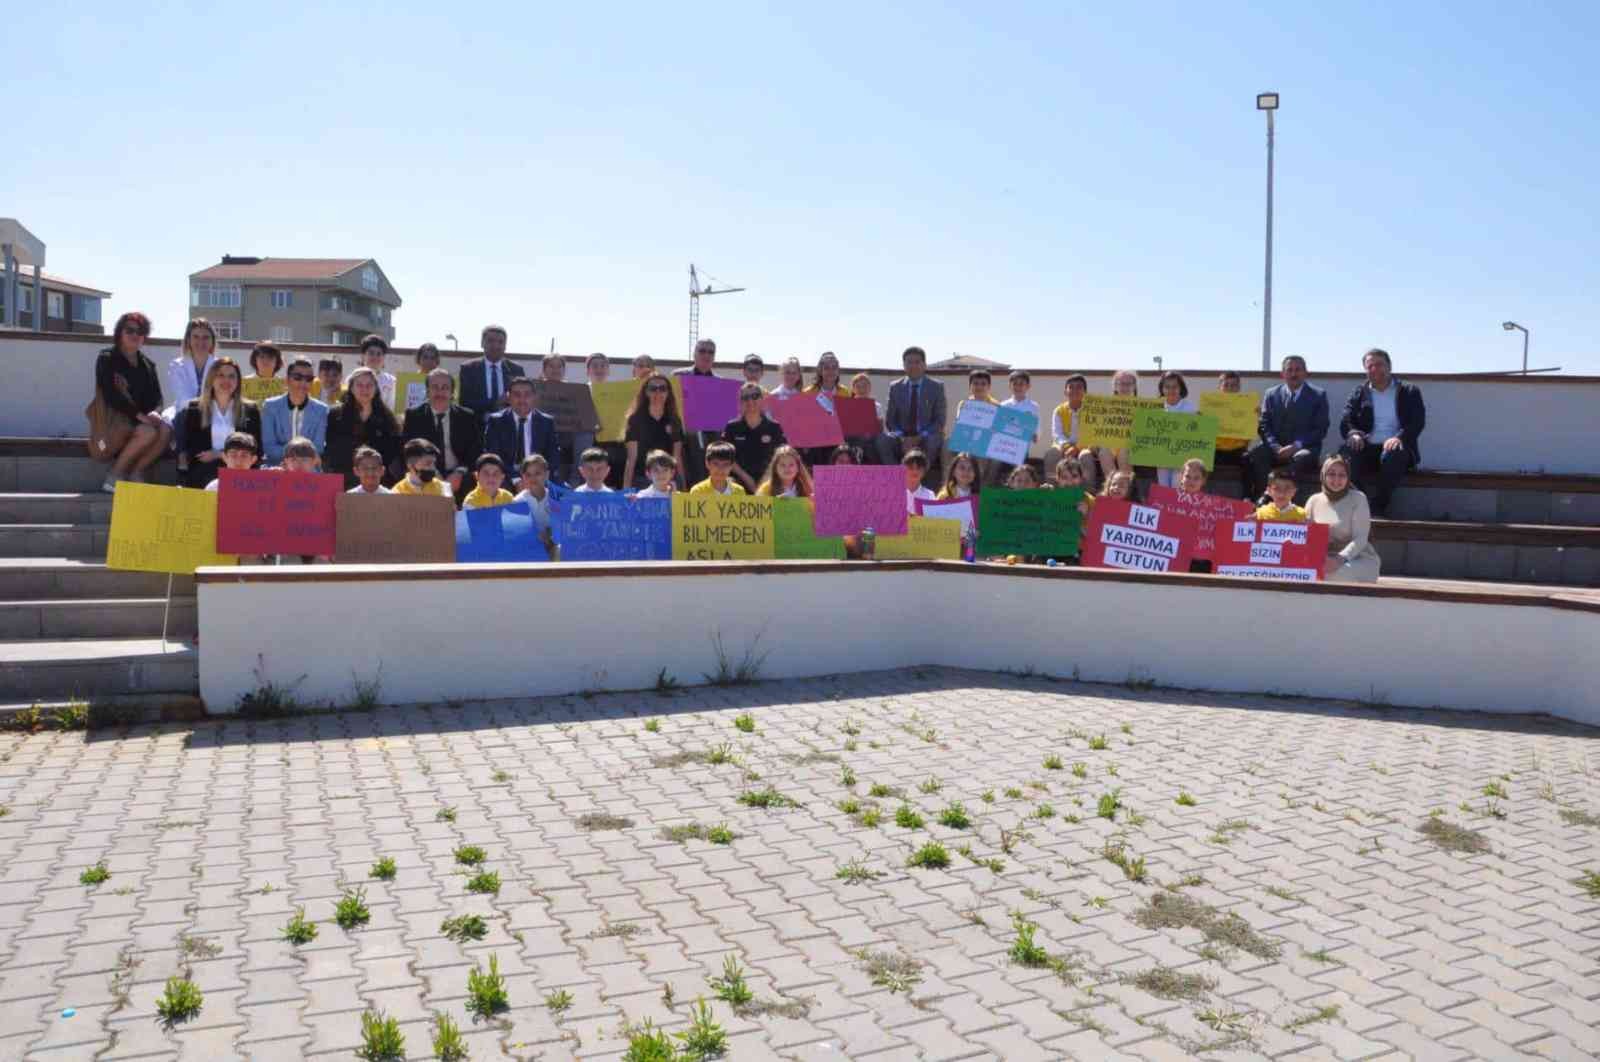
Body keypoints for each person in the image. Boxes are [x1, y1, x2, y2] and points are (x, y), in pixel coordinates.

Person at [1339, 348, 1426, 517]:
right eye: (1369, 366)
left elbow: (1417, 422)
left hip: (1396, 449)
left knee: (1393, 453)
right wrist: (1354, 434)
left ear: (1389, 366)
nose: (1374, 369)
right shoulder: (1359, 392)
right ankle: (1362, 505)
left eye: (1379, 364)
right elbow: (1346, 420)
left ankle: (1379, 505)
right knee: (1344, 455)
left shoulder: (1409, 391)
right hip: (1367, 447)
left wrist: (1398, 437)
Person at [95, 312, 169, 492]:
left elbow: (158, 397)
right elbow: (111, 395)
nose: (135, 335)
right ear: (120, 332)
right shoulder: (107, 358)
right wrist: (139, 416)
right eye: (130, 330)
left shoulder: (147, 365)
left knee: (166, 430)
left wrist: (156, 412)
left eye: (141, 331)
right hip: (113, 425)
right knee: (148, 432)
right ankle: (114, 475)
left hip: (141, 422)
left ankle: (136, 472)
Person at [1245, 355, 1328, 504]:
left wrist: (1296, 446)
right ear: (1282, 374)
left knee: (1301, 458)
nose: (1294, 374)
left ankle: (1284, 501)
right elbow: (1264, 425)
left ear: (1305, 372)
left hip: (1303, 448)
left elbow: (1320, 429)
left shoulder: (1318, 395)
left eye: (1298, 370)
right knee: (1256, 454)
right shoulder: (1271, 394)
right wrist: (1276, 447)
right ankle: (1261, 496)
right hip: (1276, 447)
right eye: (1289, 370)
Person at [179, 357, 262, 488]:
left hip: (241, 467)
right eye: (220, 375)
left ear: (238, 381)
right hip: (206, 470)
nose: (226, 380)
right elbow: (193, 448)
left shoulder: (250, 409)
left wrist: (219, 454)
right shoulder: (195, 408)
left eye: (231, 376)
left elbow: (257, 448)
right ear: (211, 379)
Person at [402, 367, 482, 497]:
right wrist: (431, 471)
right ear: (427, 391)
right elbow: (409, 452)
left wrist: (460, 472)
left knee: (471, 481)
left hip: (459, 475)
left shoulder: (467, 416)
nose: (440, 392)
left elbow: (474, 452)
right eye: (435, 387)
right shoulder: (414, 416)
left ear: (452, 393)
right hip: (427, 471)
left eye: (445, 388)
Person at [323, 366, 402, 488]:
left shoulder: (387, 418)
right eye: (359, 385)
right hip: (343, 480)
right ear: (351, 388)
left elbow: (393, 452)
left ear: (376, 389)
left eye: (369, 385)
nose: (364, 389)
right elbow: (330, 448)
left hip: (376, 482)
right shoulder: (335, 414)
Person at [1306, 455, 1380, 583]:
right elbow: (1306, 534)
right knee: (1304, 572)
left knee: (1335, 575)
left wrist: (1339, 559)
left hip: (1357, 558)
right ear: (1323, 475)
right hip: (1323, 558)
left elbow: (1360, 539)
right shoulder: (1314, 500)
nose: (1336, 479)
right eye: (1331, 474)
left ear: (1348, 477)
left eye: (1342, 475)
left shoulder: (1358, 498)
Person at [877, 347, 948, 480]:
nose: (913, 366)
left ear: (924, 365)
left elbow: (939, 421)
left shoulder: (936, 387)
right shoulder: (895, 387)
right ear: (904, 365)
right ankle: (896, 478)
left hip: (926, 436)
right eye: (909, 362)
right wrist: (903, 438)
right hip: (902, 437)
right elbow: (890, 421)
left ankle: (919, 479)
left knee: (934, 440)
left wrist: (919, 437)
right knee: (883, 439)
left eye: (917, 362)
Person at [483, 377, 558, 490]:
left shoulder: (547, 422)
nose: (522, 400)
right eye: (517, 395)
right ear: (508, 398)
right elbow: (494, 457)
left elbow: (553, 457)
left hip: (538, 476)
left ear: (534, 397)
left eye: (527, 395)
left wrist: (536, 477)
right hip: (506, 477)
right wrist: (516, 479)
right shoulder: (496, 421)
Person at [622, 373, 685, 490]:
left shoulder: (674, 420)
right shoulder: (635, 419)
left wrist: (683, 487)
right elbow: (631, 458)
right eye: (653, 389)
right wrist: (626, 489)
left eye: (662, 389)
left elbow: (677, 456)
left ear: (668, 393)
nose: (658, 392)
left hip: (669, 480)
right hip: (643, 478)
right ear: (646, 392)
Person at [162, 319, 218, 452]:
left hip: (212, 411)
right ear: (188, 340)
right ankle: (182, 455)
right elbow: (182, 397)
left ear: (212, 341)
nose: (201, 342)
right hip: (184, 410)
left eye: (206, 337)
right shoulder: (176, 365)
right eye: (196, 337)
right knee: (182, 416)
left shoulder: (220, 365)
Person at [262, 356, 329, 465]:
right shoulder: (270, 406)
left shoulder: (321, 410)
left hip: (309, 469)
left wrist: (298, 461)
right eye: (298, 377)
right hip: (276, 467)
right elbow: (269, 446)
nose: (303, 383)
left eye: (308, 379)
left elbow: (319, 447)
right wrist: (295, 458)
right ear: (287, 380)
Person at [721, 384, 786, 491]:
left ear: (762, 399)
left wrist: (765, 481)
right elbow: (727, 457)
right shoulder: (732, 427)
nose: (750, 401)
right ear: (740, 402)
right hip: (738, 482)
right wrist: (747, 478)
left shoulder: (775, 428)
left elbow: (781, 457)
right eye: (745, 398)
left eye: (755, 396)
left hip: (769, 482)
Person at [674, 338, 721, 486]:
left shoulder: (720, 382)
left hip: (709, 438)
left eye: (710, 352)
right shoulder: (678, 376)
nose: (706, 355)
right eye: (702, 351)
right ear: (694, 354)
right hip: (682, 438)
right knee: (683, 480)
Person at [1044, 374, 1100, 492]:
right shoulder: (1059, 410)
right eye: (1071, 387)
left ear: (1085, 392)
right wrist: (1067, 446)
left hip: (1085, 446)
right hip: (1064, 445)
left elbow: (1093, 434)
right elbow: (1057, 434)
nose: (1074, 390)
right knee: (1051, 454)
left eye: (1079, 387)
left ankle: (1088, 493)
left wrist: (1077, 448)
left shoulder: (1093, 409)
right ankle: (1052, 490)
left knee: (1085, 456)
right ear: (1066, 391)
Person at [459, 325, 527, 422]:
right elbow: (465, 403)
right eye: (490, 341)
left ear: (505, 346)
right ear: (482, 343)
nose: (496, 346)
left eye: (500, 342)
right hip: (478, 427)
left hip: (508, 426)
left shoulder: (516, 370)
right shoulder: (469, 369)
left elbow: (522, 401)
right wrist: (496, 402)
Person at [990, 369, 1040, 486]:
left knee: (1019, 467)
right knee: (993, 463)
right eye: (1015, 384)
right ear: (1010, 386)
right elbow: (996, 427)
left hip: (1021, 448)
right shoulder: (1003, 405)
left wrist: (1034, 435)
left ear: (1028, 386)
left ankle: (1017, 493)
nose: (1018, 387)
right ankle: (988, 490)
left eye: (1021, 384)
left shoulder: (1033, 406)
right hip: (1003, 446)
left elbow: (1037, 428)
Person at [1211, 371, 1252, 495]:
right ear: (1220, 387)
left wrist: (1255, 416)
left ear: (1238, 388)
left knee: (1250, 460)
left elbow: (1250, 433)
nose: (1229, 388)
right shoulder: (1210, 405)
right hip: (1216, 450)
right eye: (1226, 385)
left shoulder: (1246, 406)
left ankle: (1248, 496)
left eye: (1233, 385)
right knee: (1198, 460)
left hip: (1237, 450)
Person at [1154, 371, 1197, 489]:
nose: (1171, 390)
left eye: (1174, 387)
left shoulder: (1190, 408)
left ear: (1181, 388)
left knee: (1176, 485)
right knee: (1163, 486)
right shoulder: (1156, 407)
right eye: (1167, 387)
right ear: (1162, 389)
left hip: (1182, 455)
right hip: (1161, 455)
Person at [1096, 369, 1140, 485]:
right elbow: (1097, 427)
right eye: (1121, 384)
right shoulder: (1106, 404)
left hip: (1131, 444)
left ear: (1134, 387)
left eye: (1128, 384)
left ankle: (1128, 489)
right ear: (1115, 387)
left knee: (1124, 453)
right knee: (1103, 452)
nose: (1124, 387)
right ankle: (1110, 488)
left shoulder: (1141, 405)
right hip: (1111, 443)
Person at [512, 453, 556, 551]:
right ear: (523, 477)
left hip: (554, 548)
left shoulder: (556, 499)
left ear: (547, 474)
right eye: (528, 475)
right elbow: (516, 533)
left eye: (537, 473)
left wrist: (550, 533)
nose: (533, 478)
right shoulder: (518, 502)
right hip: (528, 551)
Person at [846, 372, 886, 462]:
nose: (862, 389)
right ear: (853, 389)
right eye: (858, 387)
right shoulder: (847, 405)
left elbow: (880, 428)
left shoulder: (877, 406)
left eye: (864, 386)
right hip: (852, 437)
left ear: (870, 388)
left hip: (870, 438)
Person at [358, 334, 397, 410]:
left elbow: (392, 408)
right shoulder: (352, 379)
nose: (375, 357)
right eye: (371, 353)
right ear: (363, 356)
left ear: (384, 357)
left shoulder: (391, 381)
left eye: (379, 354)